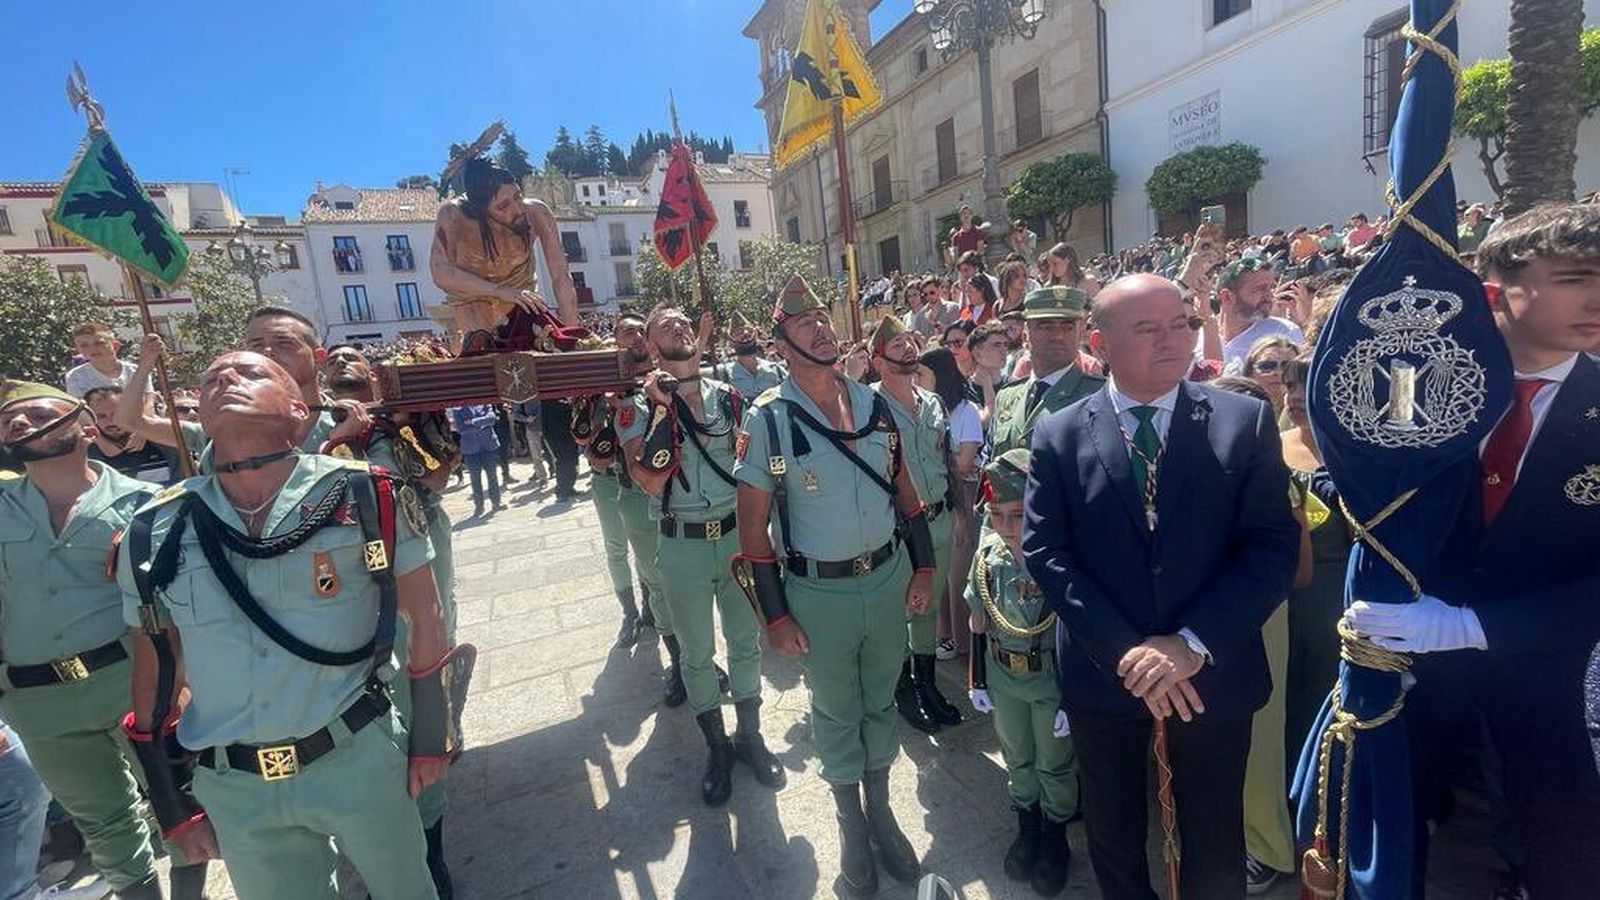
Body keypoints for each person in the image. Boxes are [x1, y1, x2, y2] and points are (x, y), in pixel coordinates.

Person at [118, 350, 462, 900]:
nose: (225, 378)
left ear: (298, 409)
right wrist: (172, 803)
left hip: (355, 756)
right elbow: (157, 669)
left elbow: (427, 616)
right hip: (235, 783)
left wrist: (430, 740)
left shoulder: (365, 494)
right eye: (211, 378)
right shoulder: (154, 527)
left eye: (251, 373)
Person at [1346, 203, 1600, 898]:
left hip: (1544, 693)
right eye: (1575, 277)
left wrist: (1475, 627)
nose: (1598, 297)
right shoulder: (1416, 389)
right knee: (1401, 854)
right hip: (1415, 686)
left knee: (1560, 862)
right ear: (1495, 294)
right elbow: (1369, 490)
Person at [1023, 274, 1297, 899]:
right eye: (1147, 329)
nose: (1171, 340)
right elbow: (1046, 550)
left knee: (1214, 838)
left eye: (1181, 324)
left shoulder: (1244, 420)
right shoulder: (1058, 433)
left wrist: (1191, 643)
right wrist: (1126, 651)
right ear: (1101, 342)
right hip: (1106, 671)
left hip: (1212, 671)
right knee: (1115, 834)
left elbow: (1270, 548)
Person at [732, 275, 937, 899]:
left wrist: (924, 566)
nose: (822, 327)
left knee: (881, 699)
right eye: (804, 323)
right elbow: (753, 532)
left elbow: (908, 495)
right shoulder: (770, 419)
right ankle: (850, 823)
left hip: (886, 579)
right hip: (817, 597)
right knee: (834, 711)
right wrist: (775, 617)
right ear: (782, 344)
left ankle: (880, 808)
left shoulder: (876, 406)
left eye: (824, 317)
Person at [0, 382, 210, 900]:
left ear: (85, 428)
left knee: (180, 802)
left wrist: (183, 685)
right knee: (103, 821)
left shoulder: (144, 504)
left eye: (35, 412)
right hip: (36, 700)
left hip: (132, 681)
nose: (19, 423)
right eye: (8, 419)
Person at [618, 305, 783, 806]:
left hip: (736, 540)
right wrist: (665, 409)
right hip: (682, 543)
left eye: (684, 322)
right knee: (696, 654)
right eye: (664, 324)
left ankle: (749, 736)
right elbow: (646, 478)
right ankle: (716, 746)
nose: (679, 327)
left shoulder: (731, 401)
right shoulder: (636, 408)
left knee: (746, 644)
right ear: (648, 344)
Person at [318, 345, 462, 899]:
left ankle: (433, 845)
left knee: (420, 668)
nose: (348, 367)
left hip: (412, 545)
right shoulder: (303, 432)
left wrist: (403, 423)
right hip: (336, 576)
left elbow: (441, 473)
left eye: (359, 360)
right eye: (339, 362)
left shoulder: (407, 414)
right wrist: (335, 438)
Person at [429, 151, 583, 500]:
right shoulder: (453, 215)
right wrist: (500, 291)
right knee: (476, 368)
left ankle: (565, 474)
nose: (515, 208)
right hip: (476, 315)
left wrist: (570, 338)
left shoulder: (535, 211)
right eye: (503, 205)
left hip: (525, 315)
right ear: (479, 207)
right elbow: (440, 271)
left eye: (516, 196)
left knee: (556, 403)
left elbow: (560, 275)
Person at [965, 449, 1077, 896]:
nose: (1007, 527)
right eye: (995, 515)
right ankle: (1027, 827)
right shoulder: (989, 554)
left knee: (1054, 763)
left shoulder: (1059, 555)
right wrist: (976, 679)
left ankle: (1055, 838)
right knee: (1017, 756)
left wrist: (1073, 696)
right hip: (1004, 676)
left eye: (1017, 515)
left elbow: (1078, 633)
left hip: (1050, 680)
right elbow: (977, 619)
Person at [871, 317, 962, 735]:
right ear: (878, 360)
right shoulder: (865, 407)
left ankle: (926, 684)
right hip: (897, 529)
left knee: (927, 610)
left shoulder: (933, 402)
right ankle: (902, 689)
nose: (909, 348)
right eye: (897, 344)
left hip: (939, 520)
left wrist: (959, 512)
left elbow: (945, 460)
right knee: (898, 612)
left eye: (910, 341)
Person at [914, 347, 983, 664]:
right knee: (936, 573)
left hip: (962, 499)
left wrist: (929, 459)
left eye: (921, 374)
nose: (916, 380)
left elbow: (965, 463)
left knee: (958, 576)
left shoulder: (965, 411)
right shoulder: (922, 410)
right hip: (933, 498)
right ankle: (943, 637)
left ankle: (964, 642)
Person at [989, 286, 1104, 460]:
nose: (1058, 336)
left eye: (1067, 327)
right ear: (1026, 335)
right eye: (1046, 327)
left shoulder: (1100, 396)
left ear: (1080, 334)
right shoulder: (1007, 396)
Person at [1214, 258, 1304, 370]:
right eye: (1260, 289)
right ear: (1227, 297)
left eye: (1271, 288)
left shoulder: (1284, 331)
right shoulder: (1198, 332)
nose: (1270, 296)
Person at [83, 386, 183, 485]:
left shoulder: (165, 443)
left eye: (117, 414)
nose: (111, 422)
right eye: (101, 416)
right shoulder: (84, 456)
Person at [716, 311, 786, 398]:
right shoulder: (723, 374)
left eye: (749, 330)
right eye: (739, 332)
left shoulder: (777, 370)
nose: (746, 333)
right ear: (731, 342)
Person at [449, 403, 502, 518]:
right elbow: (460, 428)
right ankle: (479, 506)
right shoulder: (457, 408)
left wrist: (472, 422)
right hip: (470, 449)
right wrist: (482, 424)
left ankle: (496, 502)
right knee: (475, 478)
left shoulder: (484, 403)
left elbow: (492, 419)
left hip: (488, 445)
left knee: (492, 475)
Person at [63, 323, 141, 399]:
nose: (92, 349)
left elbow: (147, 402)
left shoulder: (135, 371)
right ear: (78, 350)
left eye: (99, 343)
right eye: (84, 345)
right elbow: (81, 409)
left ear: (115, 346)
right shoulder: (76, 376)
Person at [1240, 336, 1301, 418]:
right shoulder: (1239, 411)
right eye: (1267, 366)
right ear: (1250, 372)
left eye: (1287, 367)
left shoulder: (1309, 415)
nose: (1278, 372)